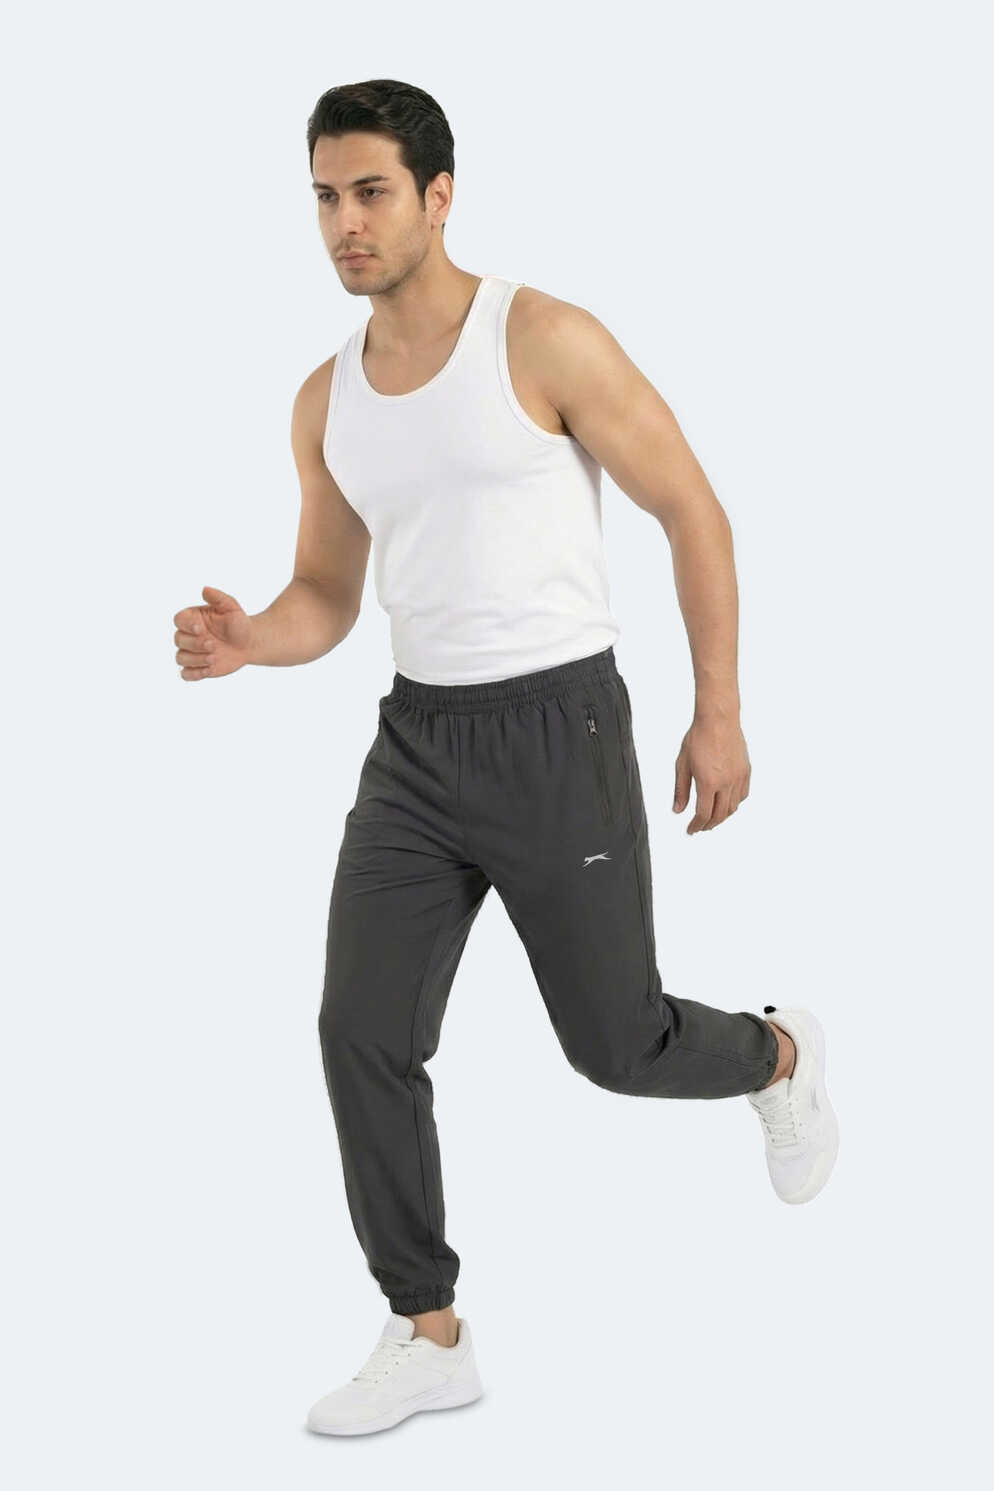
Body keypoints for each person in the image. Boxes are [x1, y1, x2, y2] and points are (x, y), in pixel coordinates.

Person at [172, 79, 839, 1437]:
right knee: (359, 1031)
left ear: (437, 196)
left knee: (618, 1045)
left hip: (557, 731)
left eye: (370, 192)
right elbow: (326, 595)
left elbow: (691, 510)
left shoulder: (541, 337)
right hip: (416, 750)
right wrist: (252, 640)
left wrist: (717, 709)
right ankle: (427, 1329)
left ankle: (775, 1056)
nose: (345, 223)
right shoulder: (325, 399)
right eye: (324, 196)